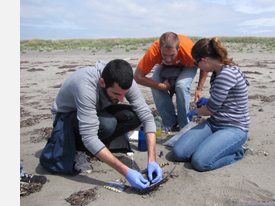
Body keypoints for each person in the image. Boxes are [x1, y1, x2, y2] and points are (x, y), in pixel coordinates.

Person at [49, 59, 162, 190]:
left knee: (134, 116)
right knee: (108, 124)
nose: (121, 99)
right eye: (116, 94)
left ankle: (99, 148)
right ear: (102, 83)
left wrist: (152, 160)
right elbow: (89, 137)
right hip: (65, 119)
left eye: (124, 94)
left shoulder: (125, 81)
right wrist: (126, 172)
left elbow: (147, 117)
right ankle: (78, 149)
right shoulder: (85, 85)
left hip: (96, 111)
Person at [172, 37, 250, 172]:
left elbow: (210, 110)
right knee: (179, 153)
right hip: (214, 123)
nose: (197, 67)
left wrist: (194, 112)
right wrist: (208, 100)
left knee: (200, 162)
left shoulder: (227, 73)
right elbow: (227, 101)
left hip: (233, 127)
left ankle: (237, 152)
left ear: (204, 60)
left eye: (196, 63)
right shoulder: (217, 71)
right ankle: (212, 146)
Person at [134, 32, 208, 132]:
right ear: (159, 48)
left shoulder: (189, 51)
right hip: (164, 65)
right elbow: (138, 77)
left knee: (181, 85)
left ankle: (183, 124)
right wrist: (161, 86)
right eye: (164, 54)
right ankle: (170, 122)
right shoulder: (154, 51)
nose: (168, 59)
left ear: (179, 48)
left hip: (187, 64)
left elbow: (204, 66)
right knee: (155, 85)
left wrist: (199, 88)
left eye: (172, 55)